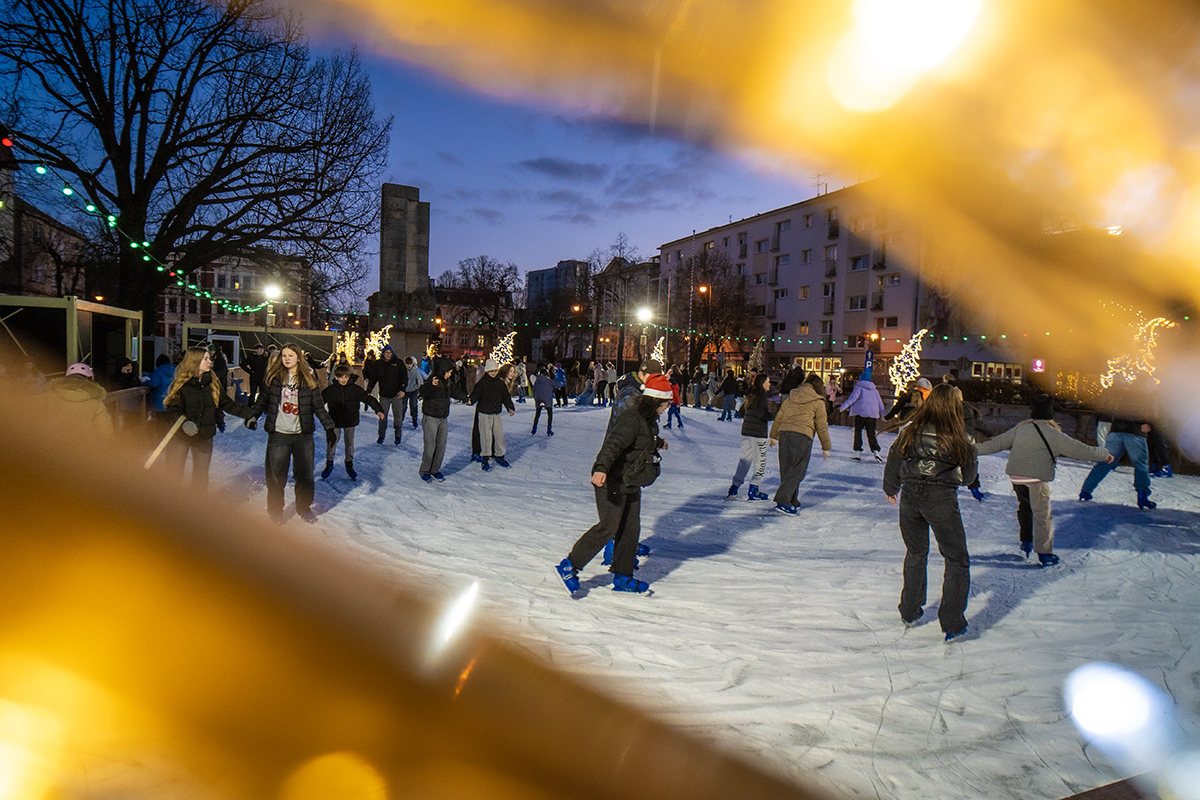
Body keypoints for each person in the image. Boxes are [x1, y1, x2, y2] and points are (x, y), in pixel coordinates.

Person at [555, 373, 673, 596]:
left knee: (630, 530)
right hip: (612, 478)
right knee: (608, 527)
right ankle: (569, 565)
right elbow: (614, 444)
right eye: (667, 403)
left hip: (631, 480)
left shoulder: (647, 421)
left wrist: (659, 443)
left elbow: (641, 439)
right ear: (657, 400)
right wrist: (601, 468)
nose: (668, 407)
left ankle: (622, 576)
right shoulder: (633, 417)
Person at [882, 383, 978, 641]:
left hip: (911, 496)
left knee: (915, 551)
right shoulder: (961, 436)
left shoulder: (911, 429)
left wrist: (891, 487)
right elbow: (969, 477)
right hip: (941, 499)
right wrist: (954, 476)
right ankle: (952, 622)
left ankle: (909, 610)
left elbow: (895, 456)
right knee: (956, 559)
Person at [975, 393, 1112, 565]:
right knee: (1042, 515)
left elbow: (994, 444)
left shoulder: (1021, 428)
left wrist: (969, 449)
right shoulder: (1053, 433)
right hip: (1036, 480)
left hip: (1016, 477)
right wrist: (1104, 454)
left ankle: (1026, 542)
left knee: (1025, 508)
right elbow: (1081, 450)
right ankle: (1044, 553)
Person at [250, 343, 335, 522]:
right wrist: (253, 416)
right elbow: (263, 400)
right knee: (275, 475)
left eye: (290, 355)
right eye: (284, 356)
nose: (287, 358)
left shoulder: (308, 379)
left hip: (302, 435)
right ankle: (275, 510)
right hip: (278, 434)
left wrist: (329, 427)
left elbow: (318, 406)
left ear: (298, 358)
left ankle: (303, 507)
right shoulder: (274, 377)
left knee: (305, 475)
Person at [163, 347, 256, 489]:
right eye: (205, 359)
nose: (210, 362)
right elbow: (173, 409)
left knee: (200, 477)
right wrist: (184, 424)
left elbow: (226, 403)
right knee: (173, 474)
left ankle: (196, 506)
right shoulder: (181, 384)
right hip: (180, 436)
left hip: (204, 435)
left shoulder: (213, 383)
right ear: (194, 361)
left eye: (210, 358)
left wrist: (249, 415)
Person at [1078, 382, 1157, 509]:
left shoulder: (1123, 393)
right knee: (1140, 465)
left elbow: (1114, 409)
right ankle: (1142, 495)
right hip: (1136, 432)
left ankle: (1085, 491)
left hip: (1116, 431)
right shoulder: (1148, 396)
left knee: (1106, 462)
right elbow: (1154, 413)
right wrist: (1150, 423)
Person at [769, 372, 831, 514]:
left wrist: (774, 435)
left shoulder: (792, 396)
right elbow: (821, 425)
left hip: (785, 433)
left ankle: (792, 499)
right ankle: (783, 499)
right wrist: (826, 447)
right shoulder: (818, 401)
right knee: (798, 470)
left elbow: (780, 416)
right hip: (802, 436)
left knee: (787, 469)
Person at [321, 364, 385, 481]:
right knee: (332, 443)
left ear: (349, 377)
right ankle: (329, 464)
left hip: (350, 420)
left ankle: (349, 465)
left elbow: (368, 398)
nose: (343, 380)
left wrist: (378, 409)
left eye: (346, 377)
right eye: (341, 377)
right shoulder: (330, 391)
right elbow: (319, 403)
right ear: (336, 377)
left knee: (349, 444)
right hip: (334, 421)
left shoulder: (355, 389)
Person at [417, 357, 468, 482]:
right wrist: (430, 385)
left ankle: (435, 469)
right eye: (448, 372)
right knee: (430, 446)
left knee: (441, 445)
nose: (450, 374)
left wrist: (466, 398)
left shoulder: (447, 382)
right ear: (442, 370)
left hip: (443, 417)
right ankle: (425, 470)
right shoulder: (433, 379)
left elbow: (455, 391)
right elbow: (423, 390)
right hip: (431, 418)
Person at [728, 372, 775, 501]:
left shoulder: (751, 394)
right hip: (758, 434)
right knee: (760, 461)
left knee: (745, 460)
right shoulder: (762, 397)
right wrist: (775, 415)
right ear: (762, 383)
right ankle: (754, 488)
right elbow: (762, 415)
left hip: (746, 432)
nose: (769, 384)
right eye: (768, 381)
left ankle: (734, 487)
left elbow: (742, 411)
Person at [45, 362, 113, 443]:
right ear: (89, 379)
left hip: (53, 447)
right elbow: (105, 432)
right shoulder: (96, 402)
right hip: (84, 450)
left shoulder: (49, 396)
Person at [469, 358, 516, 471]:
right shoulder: (482, 383)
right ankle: (485, 458)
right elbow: (475, 394)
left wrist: (510, 407)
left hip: (495, 413)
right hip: (484, 413)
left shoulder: (500, 383)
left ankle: (500, 456)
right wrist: (470, 400)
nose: (494, 373)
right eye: (491, 371)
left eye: (495, 371)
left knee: (499, 435)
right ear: (487, 372)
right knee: (486, 436)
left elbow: (505, 397)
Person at [839, 369, 886, 462]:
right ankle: (876, 451)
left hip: (861, 414)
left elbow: (852, 398)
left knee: (858, 432)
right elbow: (880, 403)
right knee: (871, 434)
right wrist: (883, 415)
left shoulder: (859, 387)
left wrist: (843, 407)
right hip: (872, 415)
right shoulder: (874, 390)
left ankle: (858, 453)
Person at [606, 358, 661, 437]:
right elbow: (622, 432)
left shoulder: (643, 393)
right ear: (641, 374)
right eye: (651, 378)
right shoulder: (629, 395)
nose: (653, 382)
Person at [373, 345, 408, 446]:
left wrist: (402, 390)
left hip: (397, 394)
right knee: (382, 416)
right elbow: (374, 377)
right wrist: (369, 389)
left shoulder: (399, 363)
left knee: (398, 416)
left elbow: (404, 378)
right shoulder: (379, 364)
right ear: (383, 353)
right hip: (384, 394)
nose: (388, 355)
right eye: (386, 353)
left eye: (390, 353)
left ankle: (398, 435)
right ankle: (381, 435)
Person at [531, 366, 556, 436]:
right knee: (549, 414)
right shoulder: (548, 380)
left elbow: (534, 389)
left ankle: (534, 429)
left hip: (539, 399)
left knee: (537, 414)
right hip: (547, 399)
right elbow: (556, 384)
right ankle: (549, 429)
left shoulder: (537, 381)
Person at [403, 356, 424, 429]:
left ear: (412, 364)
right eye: (407, 364)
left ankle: (414, 420)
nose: (409, 366)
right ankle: (400, 420)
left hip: (413, 391)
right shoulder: (402, 371)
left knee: (413, 405)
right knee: (403, 406)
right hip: (404, 391)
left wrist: (421, 393)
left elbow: (420, 382)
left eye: (410, 364)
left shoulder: (416, 371)